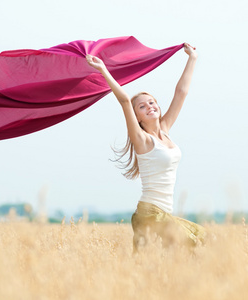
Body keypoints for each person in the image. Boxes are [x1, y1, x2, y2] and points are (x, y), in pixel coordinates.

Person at [86, 43, 206, 253]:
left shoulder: (166, 129)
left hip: (165, 215)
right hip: (150, 214)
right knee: (191, 246)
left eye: (152, 103)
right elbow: (124, 101)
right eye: (142, 106)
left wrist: (192, 58)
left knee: (203, 240)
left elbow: (181, 92)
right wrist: (103, 70)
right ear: (138, 118)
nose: (150, 106)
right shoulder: (142, 139)